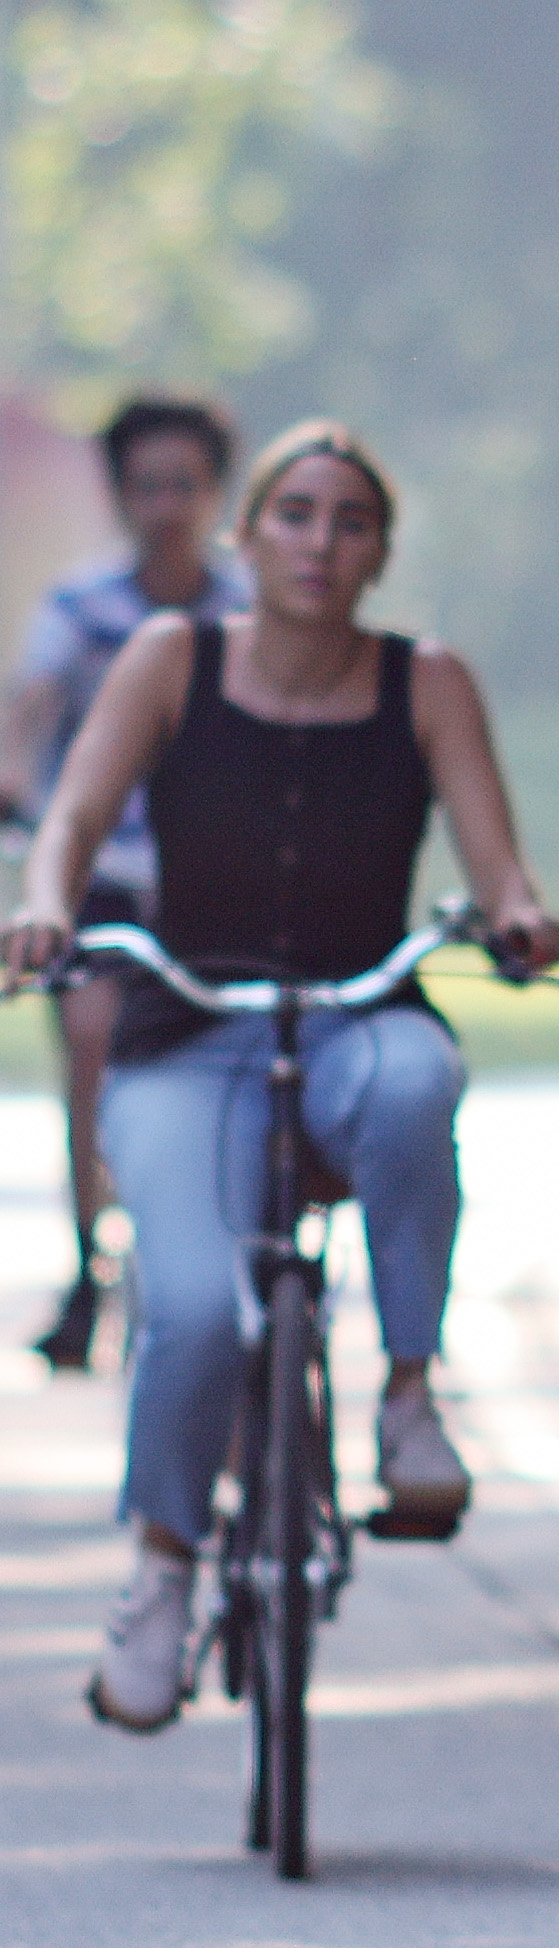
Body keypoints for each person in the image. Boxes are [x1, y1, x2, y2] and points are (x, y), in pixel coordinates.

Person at [3, 419, 559, 1733]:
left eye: (351, 520)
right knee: (192, 1308)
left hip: (361, 1014)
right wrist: (43, 903)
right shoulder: (169, 658)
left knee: (423, 1087)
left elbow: (497, 862)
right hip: (185, 1027)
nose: (320, 542)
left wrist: (521, 918)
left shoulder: (426, 681)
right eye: (295, 515)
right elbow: (74, 817)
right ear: (245, 536)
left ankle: (413, 1402)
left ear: (378, 550)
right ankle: (159, 1575)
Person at [0, 396, 253, 1371]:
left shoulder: (244, 608)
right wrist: (16, 772)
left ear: (213, 493)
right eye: (148, 485)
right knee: (93, 1043)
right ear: (119, 494)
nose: (167, 506)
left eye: (184, 485)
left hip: (210, 872)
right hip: (101, 866)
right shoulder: (81, 605)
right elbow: (32, 699)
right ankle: (86, 1264)